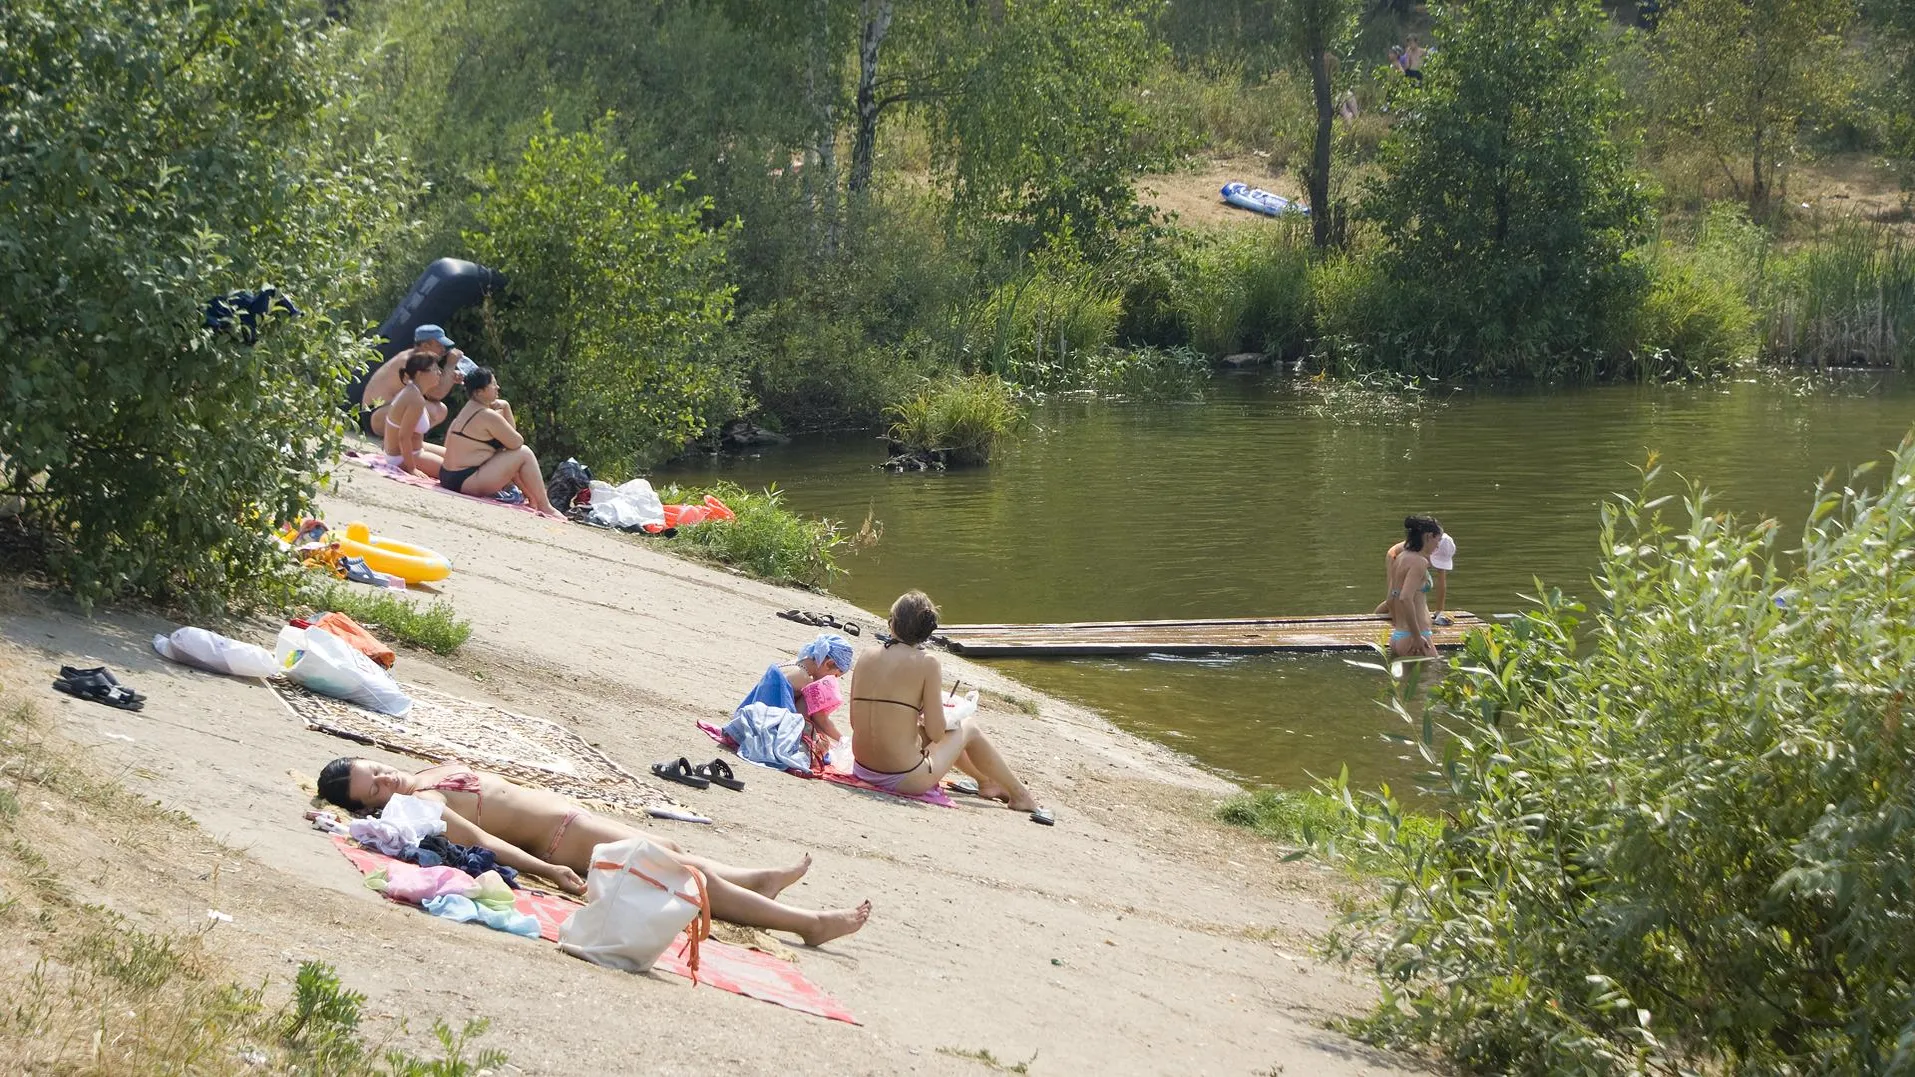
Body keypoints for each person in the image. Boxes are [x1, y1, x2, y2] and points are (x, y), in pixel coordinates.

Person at [314, 758, 873, 946]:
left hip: (571, 822)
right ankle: (807, 923)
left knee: (676, 854)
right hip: (566, 841)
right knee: (677, 872)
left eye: (377, 771)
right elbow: (485, 842)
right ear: (370, 807)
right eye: (376, 788)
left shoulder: (424, 775)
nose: (387, 778)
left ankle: (758, 881)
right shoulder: (426, 802)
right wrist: (550, 871)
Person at [847, 591, 1052, 824]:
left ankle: (987, 783)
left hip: (863, 767)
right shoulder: (927, 662)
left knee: (927, 732)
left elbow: (856, 722)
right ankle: (1020, 795)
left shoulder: (866, 655)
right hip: (903, 777)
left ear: (893, 622)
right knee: (967, 727)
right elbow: (936, 732)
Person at [436, 366, 564, 518]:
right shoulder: (487, 415)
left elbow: (509, 440)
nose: (498, 387)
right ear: (479, 392)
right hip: (466, 480)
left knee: (509, 456)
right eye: (492, 384)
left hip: (448, 476)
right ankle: (545, 506)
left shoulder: (469, 409)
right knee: (524, 453)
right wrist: (506, 408)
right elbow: (516, 442)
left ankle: (533, 499)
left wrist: (504, 407)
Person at [737, 633, 855, 747]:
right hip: (763, 727)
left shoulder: (794, 664)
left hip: (752, 715)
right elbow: (815, 718)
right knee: (819, 743)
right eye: (835, 676)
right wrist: (840, 739)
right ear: (829, 664)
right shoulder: (805, 680)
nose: (832, 681)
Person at [355, 324, 464, 441]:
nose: (443, 350)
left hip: (388, 411)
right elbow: (436, 393)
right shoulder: (409, 361)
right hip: (375, 414)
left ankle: (409, 440)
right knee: (431, 410)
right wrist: (450, 365)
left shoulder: (419, 358)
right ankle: (400, 441)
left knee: (440, 409)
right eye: (439, 345)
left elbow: (435, 386)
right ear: (425, 345)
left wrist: (450, 376)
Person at [1383, 515, 1444, 658]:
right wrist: (1416, 636)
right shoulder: (1419, 562)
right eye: (1438, 540)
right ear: (1429, 536)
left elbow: (1392, 598)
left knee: (1406, 680)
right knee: (1433, 678)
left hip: (1399, 635)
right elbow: (1405, 597)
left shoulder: (1401, 558)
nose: (1438, 545)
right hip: (1415, 637)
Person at [1372, 522, 1457, 624]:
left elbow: (1441, 584)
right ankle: (1374, 619)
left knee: (1421, 588)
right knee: (1395, 598)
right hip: (1395, 557)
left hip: (1416, 563)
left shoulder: (1441, 546)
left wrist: (1439, 612)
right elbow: (1395, 595)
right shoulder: (1416, 548)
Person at [381, 352, 446, 479]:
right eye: (435, 369)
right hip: (401, 457)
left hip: (415, 449)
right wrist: (412, 469)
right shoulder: (414, 398)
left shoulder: (414, 392)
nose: (439, 373)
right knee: (452, 473)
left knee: (454, 457)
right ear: (420, 374)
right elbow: (403, 437)